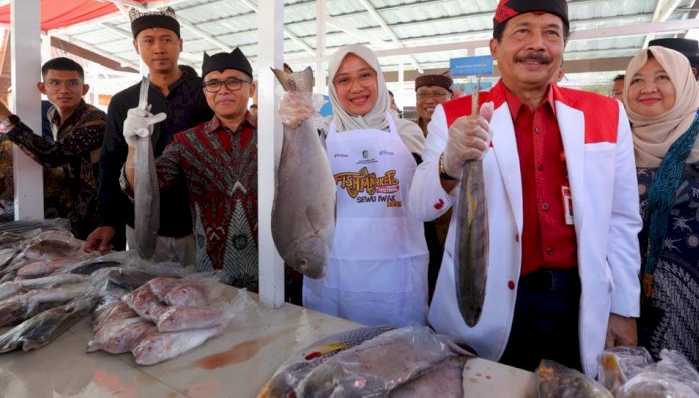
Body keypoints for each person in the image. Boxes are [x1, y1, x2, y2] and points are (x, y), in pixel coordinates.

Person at [408, 0, 642, 377]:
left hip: (579, 300)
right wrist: (448, 162)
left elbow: (621, 220)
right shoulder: (457, 114)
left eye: (551, 33)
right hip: (484, 299)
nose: (538, 45)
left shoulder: (605, 113)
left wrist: (623, 306)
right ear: (495, 48)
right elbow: (420, 207)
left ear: (563, 47)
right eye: (522, 32)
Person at [622, 45, 699, 381]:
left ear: (685, 82)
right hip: (623, 305)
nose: (648, 88)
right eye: (637, 79)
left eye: (662, 77)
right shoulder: (615, 143)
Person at [280, 43, 429, 327]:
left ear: (379, 79)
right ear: (333, 88)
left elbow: (428, 195)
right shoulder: (321, 131)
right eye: (343, 80)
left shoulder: (408, 132)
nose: (356, 87)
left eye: (365, 76)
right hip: (334, 278)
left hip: (397, 283)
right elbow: (288, 174)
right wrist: (290, 126)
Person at [123, 48, 259, 290]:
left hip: (275, 266)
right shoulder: (186, 142)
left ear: (252, 88)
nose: (223, 90)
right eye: (213, 84)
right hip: (213, 271)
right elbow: (142, 188)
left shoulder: (277, 133)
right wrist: (135, 146)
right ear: (205, 92)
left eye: (234, 82)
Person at [85, 7, 213, 259]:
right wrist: (108, 219)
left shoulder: (206, 92)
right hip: (142, 220)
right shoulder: (123, 101)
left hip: (202, 221)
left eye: (166, 39)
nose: (158, 48)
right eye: (149, 41)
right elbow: (110, 162)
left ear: (180, 44)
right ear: (136, 46)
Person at [0, 57, 106, 238]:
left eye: (72, 83)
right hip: (68, 208)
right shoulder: (52, 114)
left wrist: (6, 117)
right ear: (43, 88)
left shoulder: (96, 120)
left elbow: (53, 155)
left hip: (100, 213)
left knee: (103, 263)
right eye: (55, 83)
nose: (63, 90)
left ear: (84, 89)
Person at [413, 73, 454, 298]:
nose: (430, 100)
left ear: (451, 96)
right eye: (423, 94)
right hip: (417, 227)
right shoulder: (405, 134)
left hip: (449, 226)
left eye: (438, 94)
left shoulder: (461, 132)